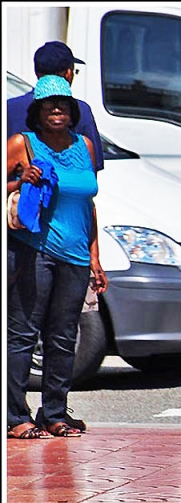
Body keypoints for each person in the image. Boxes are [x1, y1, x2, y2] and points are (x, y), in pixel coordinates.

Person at [7, 75, 107, 439]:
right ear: (37, 110)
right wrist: (20, 182)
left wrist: (96, 257)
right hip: (36, 252)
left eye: (63, 104)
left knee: (63, 337)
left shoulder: (84, 145)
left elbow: (89, 203)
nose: (56, 110)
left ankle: (54, 413)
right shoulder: (23, 144)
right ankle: (15, 417)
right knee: (22, 334)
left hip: (77, 257)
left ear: (72, 110)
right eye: (49, 104)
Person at [7, 41, 103, 174]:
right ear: (68, 74)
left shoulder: (9, 108)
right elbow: (91, 170)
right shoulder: (81, 110)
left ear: (37, 73)